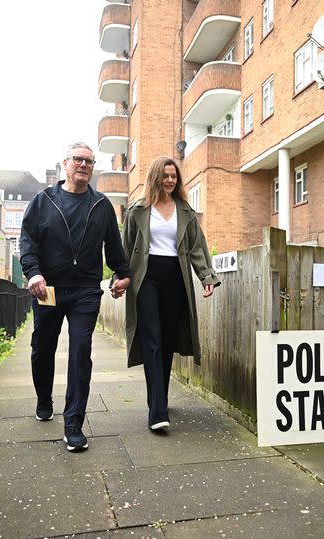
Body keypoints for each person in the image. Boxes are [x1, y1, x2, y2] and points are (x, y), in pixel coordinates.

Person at [19, 142, 131, 452]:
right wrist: (34, 273)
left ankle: (74, 424)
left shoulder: (102, 205)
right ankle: (44, 397)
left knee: (81, 350)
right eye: (78, 159)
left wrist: (123, 274)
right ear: (65, 163)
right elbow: (27, 242)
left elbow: (114, 245)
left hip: (85, 290)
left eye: (89, 161)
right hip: (48, 288)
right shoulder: (43, 201)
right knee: (43, 347)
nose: (83, 165)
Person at [121, 156, 220, 432]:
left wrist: (206, 277)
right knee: (151, 338)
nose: (170, 180)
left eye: (174, 176)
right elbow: (125, 248)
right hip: (147, 277)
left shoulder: (184, 210)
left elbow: (197, 247)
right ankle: (157, 411)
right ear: (155, 177)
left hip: (176, 277)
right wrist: (121, 278)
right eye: (165, 175)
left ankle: (159, 400)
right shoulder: (139, 209)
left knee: (166, 341)